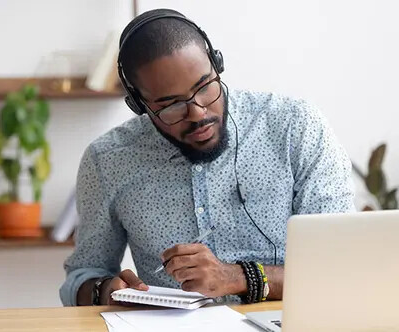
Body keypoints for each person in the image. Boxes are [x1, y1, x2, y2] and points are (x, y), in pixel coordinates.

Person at [60, 8, 354, 306]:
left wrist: (237, 277)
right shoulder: (107, 160)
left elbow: (343, 268)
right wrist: (103, 290)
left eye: (204, 87)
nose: (198, 113)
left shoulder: (295, 127)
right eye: (171, 105)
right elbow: (82, 276)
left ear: (217, 64)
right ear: (139, 105)